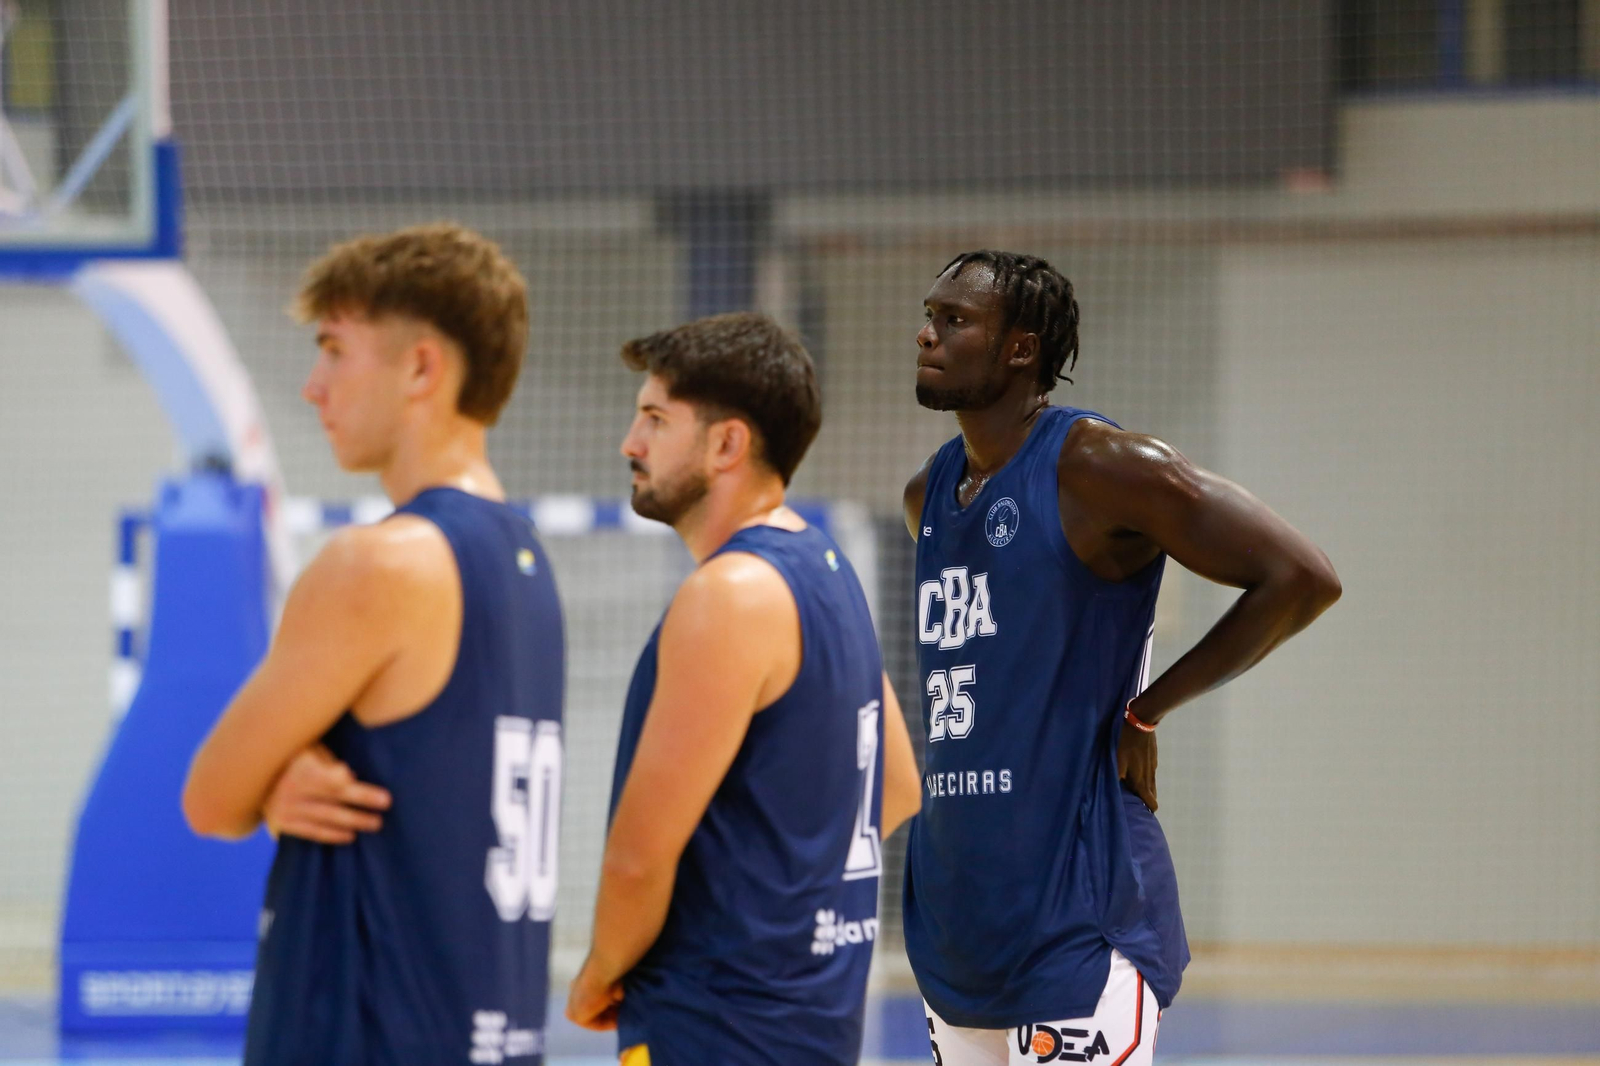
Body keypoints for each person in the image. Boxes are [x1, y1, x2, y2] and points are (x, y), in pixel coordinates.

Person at [904, 250, 1341, 1065]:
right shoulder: (925, 498)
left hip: (1078, 916)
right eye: (930, 314)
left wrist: (1147, 708)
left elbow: (1302, 578)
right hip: (958, 930)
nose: (926, 332)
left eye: (954, 318)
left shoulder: (1099, 467)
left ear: (1021, 349)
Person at [183, 223, 564, 1066]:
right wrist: (284, 776)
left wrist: (268, 776)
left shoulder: (377, 562)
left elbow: (210, 797)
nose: (314, 387)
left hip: (370, 1036)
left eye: (334, 350)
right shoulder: (528, 560)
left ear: (422, 367)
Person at [565, 312, 922, 1065]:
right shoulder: (827, 570)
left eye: (655, 419)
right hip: (813, 1017)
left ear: (728, 443)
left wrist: (598, 971)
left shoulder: (729, 593)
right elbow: (897, 786)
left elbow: (637, 858)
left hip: (716, 1019)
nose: (630, 444)